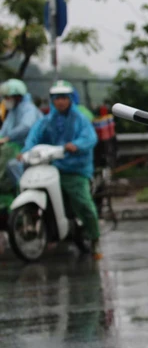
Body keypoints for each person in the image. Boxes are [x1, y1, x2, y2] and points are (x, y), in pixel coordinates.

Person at [20, 80, 101, 257]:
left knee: (83, 203)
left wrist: (76, 145)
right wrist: (25, 152)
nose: (60, 102)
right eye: (57, 98)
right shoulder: (47, 120)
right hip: (53, 167)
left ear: (70, 99)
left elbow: (90, 138)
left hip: (75, 168)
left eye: (64, 98)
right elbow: (33, 137)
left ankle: (95, 238)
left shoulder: (80, 118)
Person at [1, 79, 42, 194]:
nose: (5, 101)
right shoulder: (14, 110)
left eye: (7, 97)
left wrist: (8, 138)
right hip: (19, 148)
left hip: (30, 150)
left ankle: (26, 192)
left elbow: (26, 126)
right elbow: (5, 129)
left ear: (17, 96)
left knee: (12, 165)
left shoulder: (28, 109)